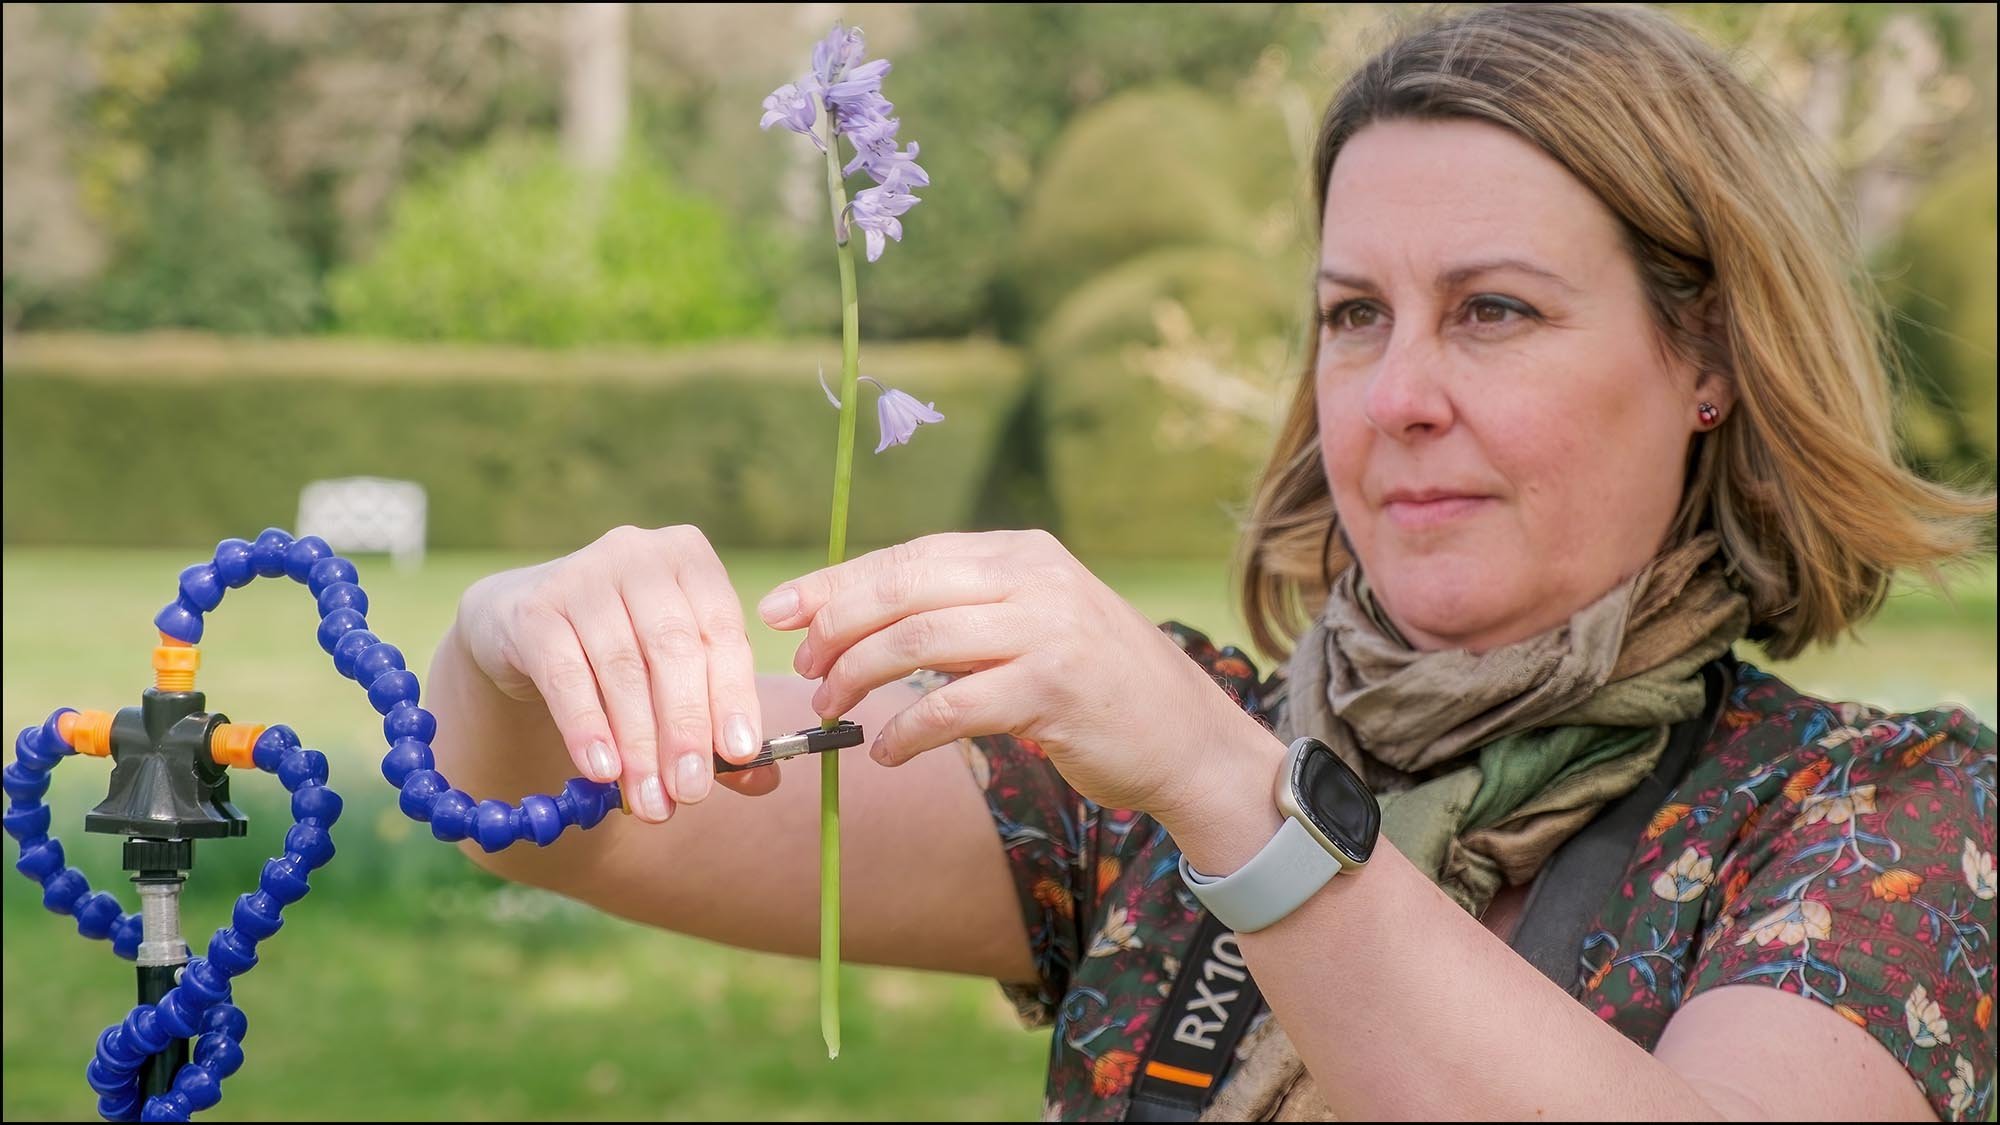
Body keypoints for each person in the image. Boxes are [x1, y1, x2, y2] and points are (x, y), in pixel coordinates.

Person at [427, 4, 1996, 1120]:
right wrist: (514, 637)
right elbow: (540, 815)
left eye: (1494, 310)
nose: (1398, 397)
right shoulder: (1149, 768)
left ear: (1707, 354)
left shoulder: (1872, 816)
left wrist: (1231, 788)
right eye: (1353, 314)